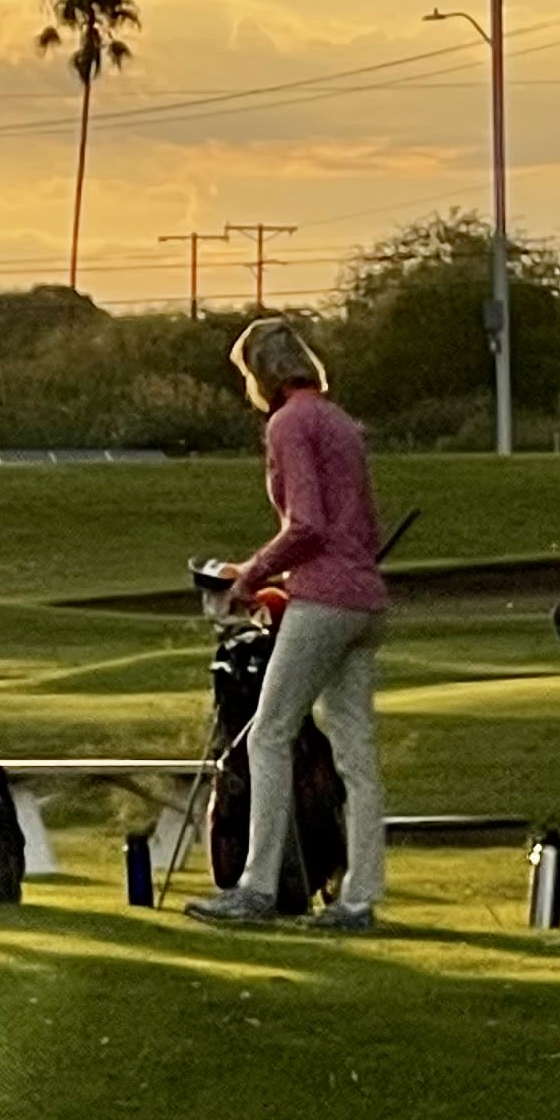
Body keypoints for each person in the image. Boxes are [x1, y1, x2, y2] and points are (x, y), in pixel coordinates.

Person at [188, 318, 391, 933]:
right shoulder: (338, 421)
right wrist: (279, 581)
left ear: (260, 373)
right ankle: (359, 898)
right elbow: (355, 529)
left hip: (326, 602)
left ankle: (256, 886)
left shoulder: (289, 423)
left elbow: (307, 526)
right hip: (364, 601)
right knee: (355, 752)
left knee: (267, 735)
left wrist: (249, 575)